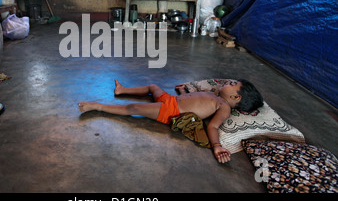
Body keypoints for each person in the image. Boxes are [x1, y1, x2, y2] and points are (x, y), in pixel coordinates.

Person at [78, 79, 263, 164]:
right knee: (153, 86)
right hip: (170, 101)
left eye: (231, 85)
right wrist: (183, 92)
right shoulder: (215, 95)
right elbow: (194, 101)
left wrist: (217, 145)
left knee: (133, 109)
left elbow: (213, 126)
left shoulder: (224, 106)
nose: (226, 84)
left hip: (171, 111)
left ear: (236, 97)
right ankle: (122, 90)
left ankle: (98, 106)